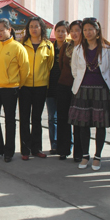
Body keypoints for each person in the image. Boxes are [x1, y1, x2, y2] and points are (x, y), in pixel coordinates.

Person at [68, 17, 110, 171]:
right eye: (85, 29)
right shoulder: (78, 49)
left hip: (100, 90)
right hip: (82, 89)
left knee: (99, 125)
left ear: (97, 31)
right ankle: (85, 155)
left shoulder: (108, 49)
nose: (87, 32)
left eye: (90, 29)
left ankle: (98, 156)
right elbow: (74, 70)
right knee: (83, 125)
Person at [0, 18, 29, 162]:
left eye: (1, 30)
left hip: (10, 89)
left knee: (10, 121)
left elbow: (25, 70)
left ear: (9, 30)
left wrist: (17, 84)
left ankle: (9, 151)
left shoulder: (18, 47)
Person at [19, 17, 54, 160]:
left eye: (37, 26)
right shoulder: (22, 44)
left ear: (41, 28)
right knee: (24, 118)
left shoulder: (48, 45)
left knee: (37, 119)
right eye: (31, 26)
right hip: (24, 86)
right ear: (28, 29)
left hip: (40, 86)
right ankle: (25, 151)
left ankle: (36, 149)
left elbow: (50, 65)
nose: (34, 29)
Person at [57, 20, 83, 161]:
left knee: (79, 120)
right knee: (63, 118)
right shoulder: (66, 46)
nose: (74, 33)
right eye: (71, 30)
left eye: (77, 30)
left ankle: (79, 153)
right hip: (64, 85)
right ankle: (63, 149)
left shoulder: (87, 47)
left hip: (80, 87)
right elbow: (61, 65)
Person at [46, 20, 68, 155]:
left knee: (64, 118)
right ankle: (54, 144)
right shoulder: (49, 47)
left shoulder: (70, 47)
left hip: (65, 87)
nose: (60, 33)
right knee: (51, 117)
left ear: (67, 33)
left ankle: (64, 144)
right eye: (58, 30)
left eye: (63, 31)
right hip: (51, 86)